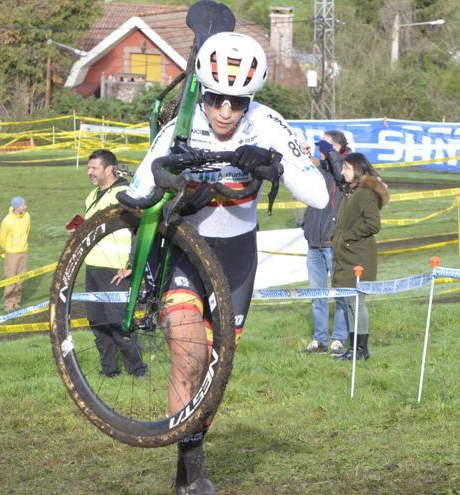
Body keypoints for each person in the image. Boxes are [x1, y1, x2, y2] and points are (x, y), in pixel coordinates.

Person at [125, 32, 329, 495]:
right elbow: (137, 191)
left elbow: (318, 194)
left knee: (214, 373)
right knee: (188, 355)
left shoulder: (267, 123)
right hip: (187, 251)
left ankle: (187, 465)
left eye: (237, 102)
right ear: (203, 92)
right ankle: (193, 473)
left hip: (237, 257)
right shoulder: (182, 123)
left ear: (249, 100)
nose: (224, 111)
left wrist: (275, 163)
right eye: (216, 98)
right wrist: (168, 180)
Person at [78, 148, 147, 379]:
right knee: (98, 324)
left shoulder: (125, 194)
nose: (90, 172)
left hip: (116, 270)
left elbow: (140, 231)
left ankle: (138, 371)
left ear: (109, 169)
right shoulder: (92, 195)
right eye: (89, 168)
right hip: (93, 268)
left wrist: (131, 265)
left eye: (94, 168)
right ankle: (109, 371)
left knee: (119, 325)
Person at [332, 153, 389, 361]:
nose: (342, 172)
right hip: (347, 256)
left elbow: (373, 224)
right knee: (349, 303)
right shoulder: (351, 191)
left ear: (356, 169)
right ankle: (353, 347)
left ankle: (361, 349)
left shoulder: (365, 192)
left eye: (346, 168)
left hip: (358, 257)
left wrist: (347, 237)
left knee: (356, 304)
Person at [301, 130, 349, 356]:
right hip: (314, 242)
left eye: (326, 146)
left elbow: (340, 170)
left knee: (341, 294)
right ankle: (319, 339)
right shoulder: (321, 169)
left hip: (334, 243)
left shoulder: (347, 170)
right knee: (317, 295)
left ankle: (339, 339)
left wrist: (330, 152)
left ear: (338, 148)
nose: (322, 149)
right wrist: (305, 154)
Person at [0, 196, 30, 312]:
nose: (25, 207)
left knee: (20, 279)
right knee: (10, 279)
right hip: (12, 253)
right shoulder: (7, 220)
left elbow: (27, 231)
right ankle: (8, 304)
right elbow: (2, 238)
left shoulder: (27, 216)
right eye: (23, 205)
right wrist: (8, 249)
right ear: (17, 207)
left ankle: (16, 301)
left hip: (23, 251)